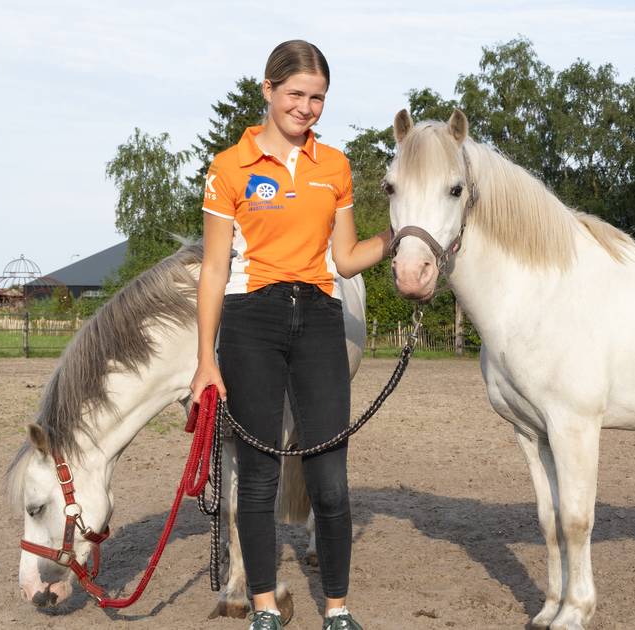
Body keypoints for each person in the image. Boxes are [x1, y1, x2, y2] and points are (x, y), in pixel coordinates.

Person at [190, 39, 391, 630]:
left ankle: (337, 609)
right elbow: (214, 268)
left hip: (321, 319)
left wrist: (401, 237)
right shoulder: (229, 167)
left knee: (330, 479)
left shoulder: (335, 166)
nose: (306, 107)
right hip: (251, 320)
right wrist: (206, 360)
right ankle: (264, 608)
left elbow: (346, 258)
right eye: (296, 94)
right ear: (269, 89)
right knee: (259, 477)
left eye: (318, 98)